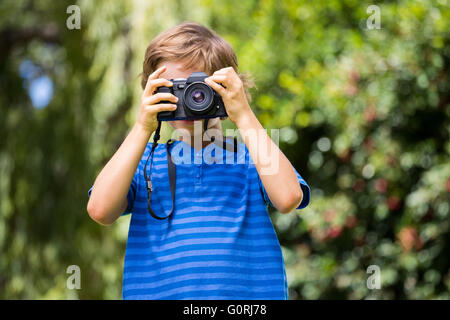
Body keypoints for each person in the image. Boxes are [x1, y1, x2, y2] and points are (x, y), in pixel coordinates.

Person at [87, 21, 310, 300]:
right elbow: (100, 210)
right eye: (173, 89)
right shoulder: (142, 162)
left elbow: (289, 197)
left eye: (199, 88)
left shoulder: (252, 156)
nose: (190, 99)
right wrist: (143, 127)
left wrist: (243, 114)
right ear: (152, 93)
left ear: (227, 88)